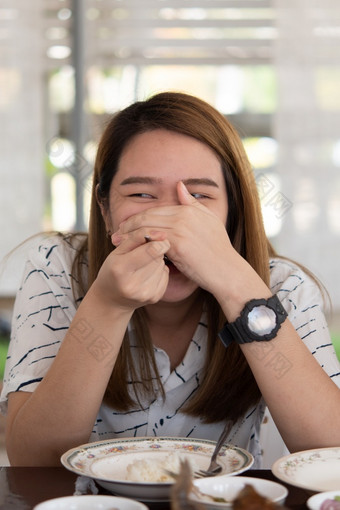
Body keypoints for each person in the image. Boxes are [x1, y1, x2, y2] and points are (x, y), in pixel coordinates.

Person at [1, 92, 340, 467]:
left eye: (199, 196)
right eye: (142, 194)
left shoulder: (282, 286)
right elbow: (32, 462)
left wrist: (237, 287)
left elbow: (331, 451)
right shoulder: (56, 268)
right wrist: (107, 305)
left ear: (232, 210)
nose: (172, 222)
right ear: (105, 208)